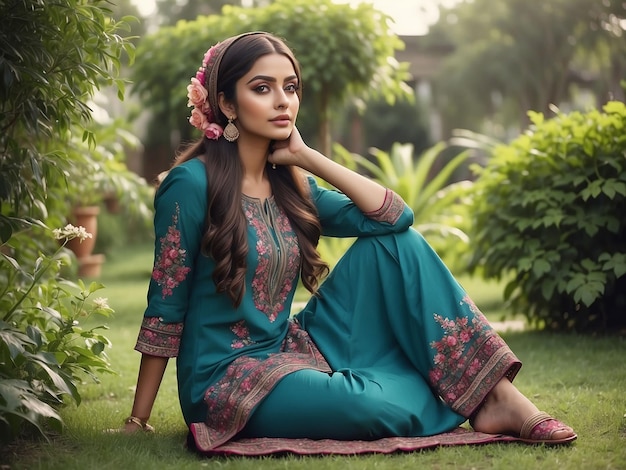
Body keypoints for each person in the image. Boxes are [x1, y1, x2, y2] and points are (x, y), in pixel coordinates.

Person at [121, 31, 576, 454]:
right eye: (262, 88)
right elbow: (166, 303)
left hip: (292, 347)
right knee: (370, 405)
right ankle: (460, 390)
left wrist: (306, 156)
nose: (283, 101)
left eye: (291, 87)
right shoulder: (190, 184)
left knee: (399, 244)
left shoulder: (291, 185)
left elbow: (395, 218)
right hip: (225, 380)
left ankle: (497, 397)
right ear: (227, 103)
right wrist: (139, 420)